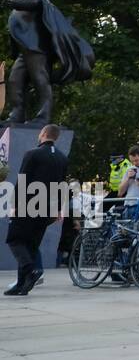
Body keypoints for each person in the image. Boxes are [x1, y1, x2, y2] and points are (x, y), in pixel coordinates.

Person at [4, 124, 68, 296]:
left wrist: (15, 204)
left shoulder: (32, 154)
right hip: (47, 208)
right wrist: (59, 209)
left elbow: (23, 179)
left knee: (15, 239)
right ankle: (21, 285)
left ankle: (30, 270)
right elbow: (62, 185)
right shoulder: (62, 158)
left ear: (44, 134)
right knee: (30, 245)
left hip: (28, 205)